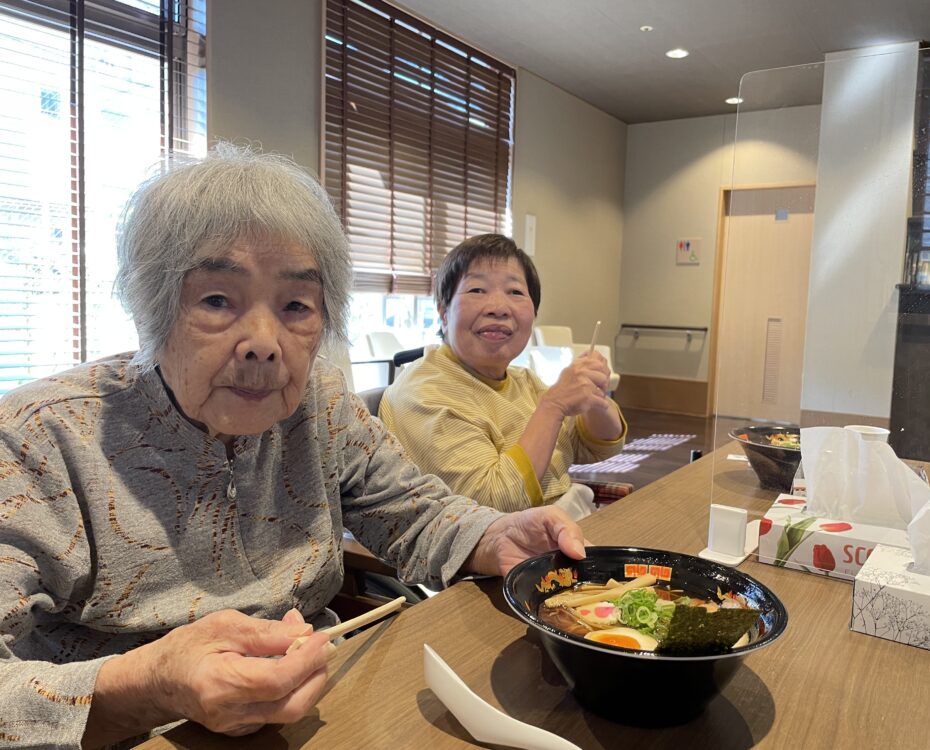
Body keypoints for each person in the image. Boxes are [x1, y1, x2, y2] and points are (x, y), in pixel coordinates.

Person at [0, 146, 587, 749]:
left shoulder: (320, 405)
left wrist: (493, 535)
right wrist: (149, 684)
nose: (263, 342)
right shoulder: (38, 437)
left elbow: (418, 513)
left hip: (319, 711)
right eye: (216, 300)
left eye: (296, 306)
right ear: (154, 310)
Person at [379, 234, 626, 516]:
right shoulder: (424, 393)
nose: (498, 307)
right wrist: (553, 406)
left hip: (562, 527)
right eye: (477, 290)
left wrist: (595, 399)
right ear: (444, 313)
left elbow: (597, 447)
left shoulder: (524, 381)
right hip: (493, 551)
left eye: (515, 292)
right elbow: (491, 504)